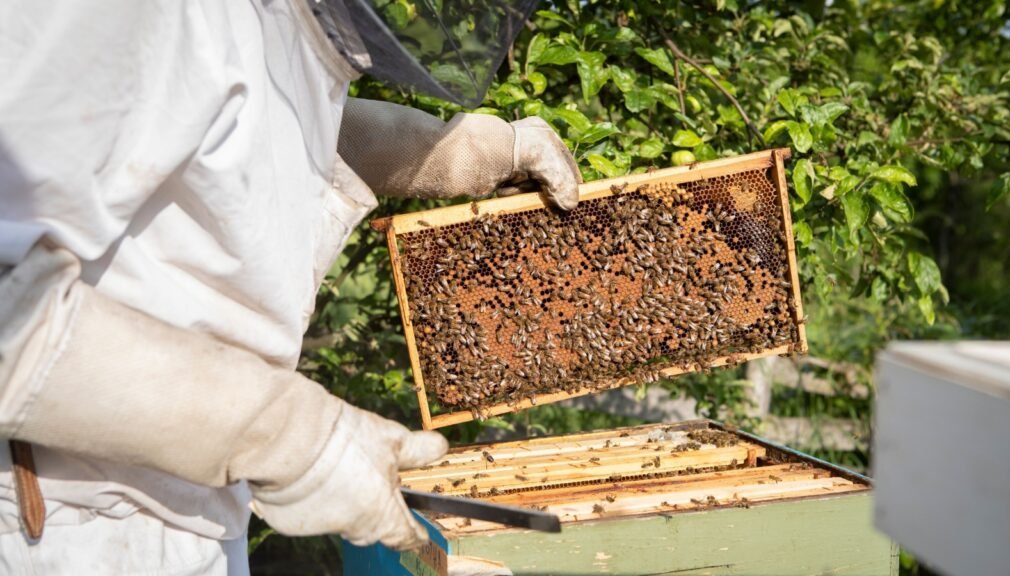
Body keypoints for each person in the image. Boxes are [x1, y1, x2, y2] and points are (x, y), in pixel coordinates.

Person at [0, 0, 581, 574]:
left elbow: (243, 126)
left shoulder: (271, 21)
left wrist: (455, 150)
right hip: (63, 530)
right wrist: (285, 436)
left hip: (187, 514)